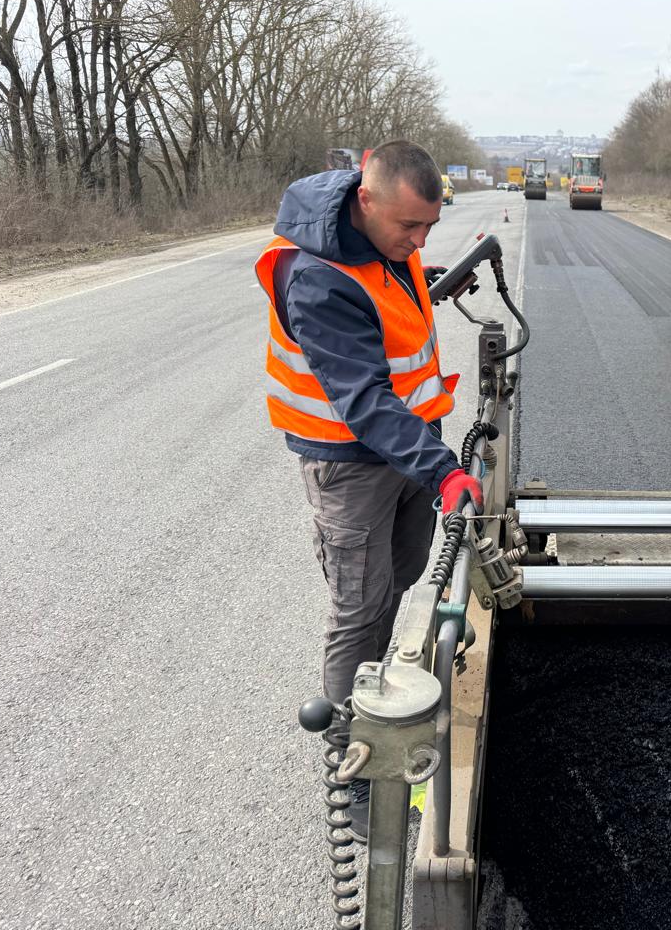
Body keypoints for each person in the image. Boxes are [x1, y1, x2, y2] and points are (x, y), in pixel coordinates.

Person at [254, 139, 482, 840]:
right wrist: (445, 470)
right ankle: (350, 762)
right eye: (408, 229)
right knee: (360, 606)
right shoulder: (317, 278)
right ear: (366, 199)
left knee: (401, 576)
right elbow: (365, 402)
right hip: (351, 461)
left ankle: (379, 683)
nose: (416, 240)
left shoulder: (385, 240)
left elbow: (392, 287)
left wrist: (423, 271)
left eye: (428, 231)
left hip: (404, 449)